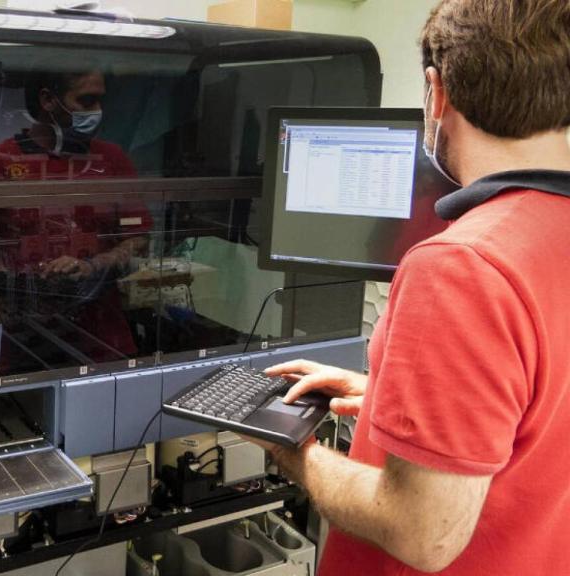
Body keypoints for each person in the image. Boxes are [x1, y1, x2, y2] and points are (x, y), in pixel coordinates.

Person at [250, 1, 570, 574]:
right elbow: (536, 411)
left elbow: (423, 533)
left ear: (437, 92)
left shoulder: (462, 264)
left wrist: (294, 452)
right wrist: (387, 399)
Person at [0, 65, 151, 368]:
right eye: (87, 101)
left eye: (101, 101)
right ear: (48, 100)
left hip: (103, 341)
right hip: (27, 344)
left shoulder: (112, 160)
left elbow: (139, 241)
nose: (98, 112)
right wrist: (27, 288)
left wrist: (91, 268)